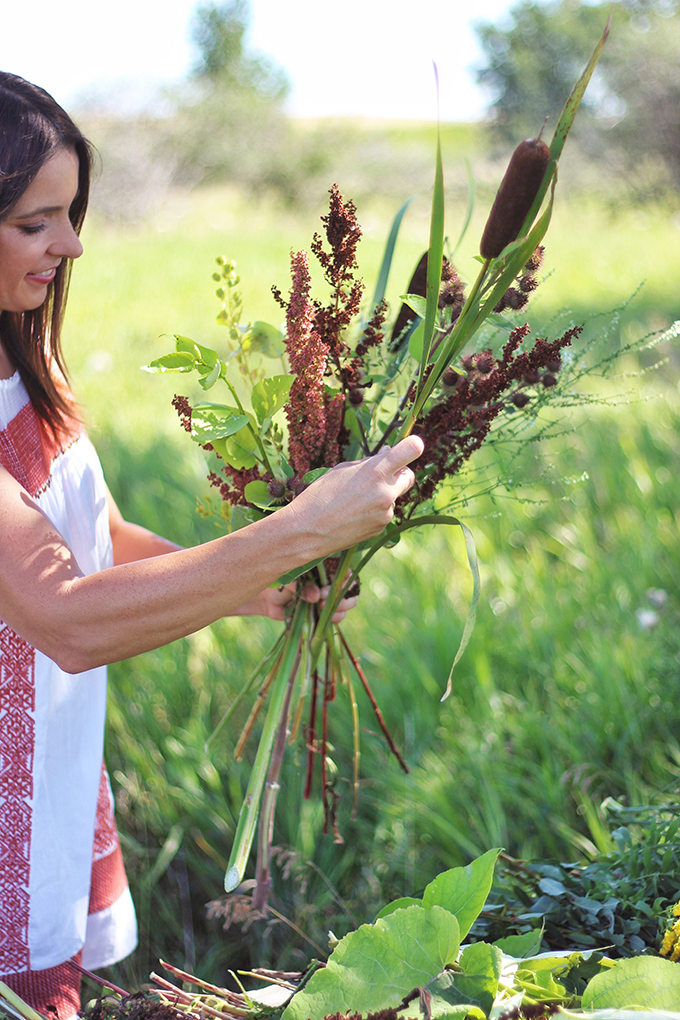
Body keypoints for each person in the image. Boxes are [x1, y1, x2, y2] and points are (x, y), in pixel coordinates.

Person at [0, 72, 423, 1019]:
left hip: (49, 779)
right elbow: (65, 618)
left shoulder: (23, 356)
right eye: (36, 222)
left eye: (70, 214)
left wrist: (256, 584)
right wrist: (298, 528)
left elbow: (84, 535)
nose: (69, 245)